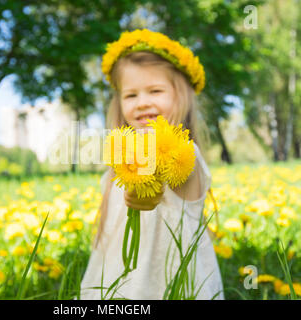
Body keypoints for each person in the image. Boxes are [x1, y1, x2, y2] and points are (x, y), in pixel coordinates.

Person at [80, 29, 224, 300]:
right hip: (119, 285)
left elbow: (167, 172)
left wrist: (146, 194)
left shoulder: (184, 154)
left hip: (168, 287)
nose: (142, 102)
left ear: (181, 96)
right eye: (131, 95)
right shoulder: (118, 163)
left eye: (155, 91)